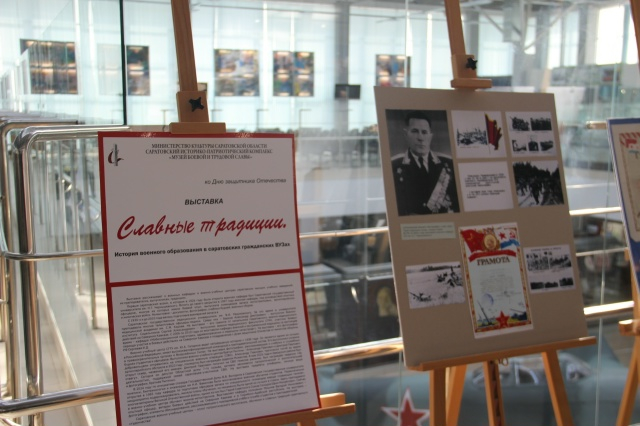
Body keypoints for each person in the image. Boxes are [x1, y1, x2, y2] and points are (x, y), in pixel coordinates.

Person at [391, 111, 459, 216]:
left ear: (430, 136)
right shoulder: (394, 165)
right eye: (415, 131)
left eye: (424, 132)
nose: (420, 138)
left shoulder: (448, 164)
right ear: (406, 134)